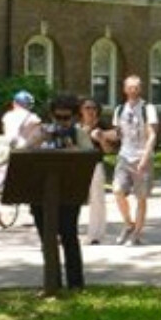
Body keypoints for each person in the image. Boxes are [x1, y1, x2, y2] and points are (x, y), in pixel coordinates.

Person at [26, 93, 89, 291]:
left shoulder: (79, 133)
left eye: (66, 117)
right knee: (47, 238)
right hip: (40, 194)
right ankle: (53, 282)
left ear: (74, 116)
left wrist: (74, 150)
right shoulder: (41, 131)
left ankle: (75, 283)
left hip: (68, 193)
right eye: (57, 117)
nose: (61, 122)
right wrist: (35, 141)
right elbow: (23, 152)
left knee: (69, 236)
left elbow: (89, 158)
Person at [110, 74, 159, 245]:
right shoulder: (119, 109)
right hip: (124, 155)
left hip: (141, 155)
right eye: (130, 87)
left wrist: (145, 157)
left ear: (140, 89)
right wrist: (101, 136)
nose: (133, 90)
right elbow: (117, 134)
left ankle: (137, 233)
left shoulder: (148, 108)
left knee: (141, 197)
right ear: (124, 89)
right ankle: (128, 223)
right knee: (117, 190)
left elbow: (152, 134)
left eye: (136, 87)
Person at [78, 99, 119, 244]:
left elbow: (109, 150)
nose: (90, 111)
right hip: (77, 165)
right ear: (81, 110)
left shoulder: (102, 126)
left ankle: (96, 234)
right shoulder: (77, 126)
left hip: (95, 164)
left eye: (93, 108)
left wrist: (102, 139)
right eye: (87, 107)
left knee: (97, 200)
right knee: (75, 200)